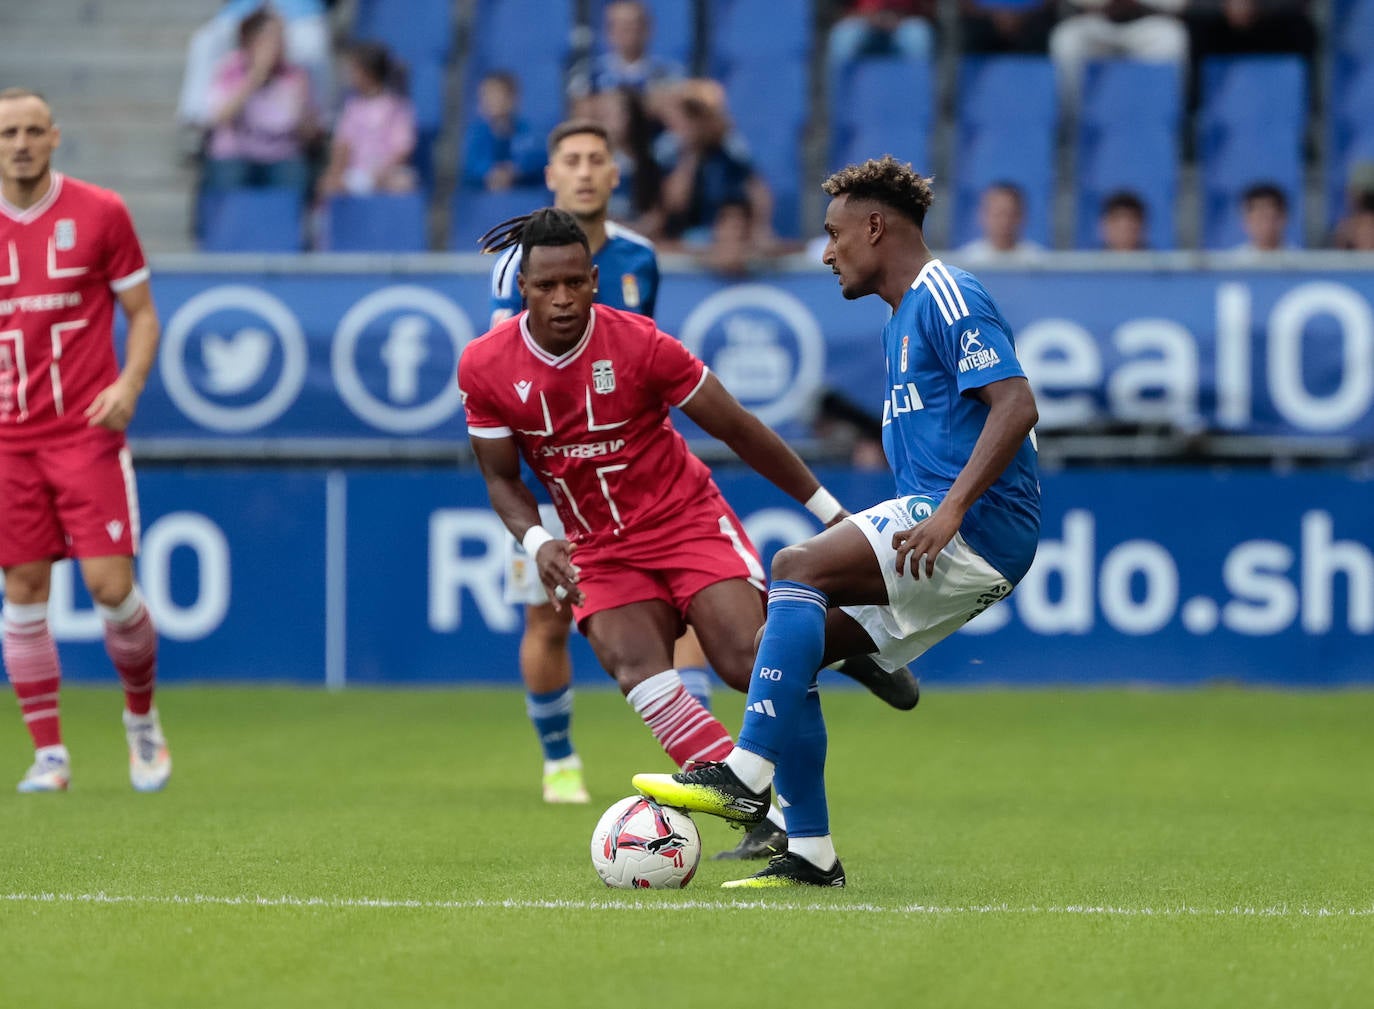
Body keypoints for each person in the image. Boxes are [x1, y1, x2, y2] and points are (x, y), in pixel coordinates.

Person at [632, 155, 1041, 888]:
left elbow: (1017, 404)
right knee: (784, 647)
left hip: (980, 522)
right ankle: (813, 850)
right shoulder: (898, 323)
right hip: (970, 536)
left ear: (876, 227)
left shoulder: (946, 292)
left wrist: (949, 511)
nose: (825, 252)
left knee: (793, 568)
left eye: (834, 234)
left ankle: (744, 775)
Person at [465, 208, 919, 857]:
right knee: (635, 667)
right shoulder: (484, 367)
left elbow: (738, 427)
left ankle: (844, 645)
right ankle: (761, 820)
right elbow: (502, 480)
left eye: (574, 282)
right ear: (523, 290)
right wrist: (539, 542)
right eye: (546, 287)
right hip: (596, 544)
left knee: (742, 661)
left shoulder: (643, 344)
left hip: (684, 520)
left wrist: (829, 511)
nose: (562, 298)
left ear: (594, 279)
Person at [0, 89, 171, 794]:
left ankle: (141, 717)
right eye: (8, 132)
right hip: (10, 440)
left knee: (111, 586)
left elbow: (144, 316)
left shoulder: (101, 212)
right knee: (24, 589)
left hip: (85, 431)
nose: (20, 143)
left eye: (33, 130)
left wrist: (129, 387)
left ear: (55, 137)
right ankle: (50, 754)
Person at [201, 6, 319, 195]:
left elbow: (310, 134)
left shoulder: (296, 75)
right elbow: (219, 117)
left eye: (281, 38)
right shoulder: (230, 69)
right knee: (229, 177)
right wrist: (255, 78)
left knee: (294, 175)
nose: (279, 45)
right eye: (271, 38)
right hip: (236, 154)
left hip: (283, 156)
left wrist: (302, 110)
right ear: (250, 41)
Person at [315, 41, 417, 201]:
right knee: (326, 185)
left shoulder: (397, 107)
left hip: (386, 174)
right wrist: (335, 173)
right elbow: (342, 144)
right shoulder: (351, 107)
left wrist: (382, 173)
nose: (348, 75)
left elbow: (402, 148)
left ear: (368, 73)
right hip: (356, 173)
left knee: (404, 183)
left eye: (352, 70)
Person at [1049, 0, 1189, 112]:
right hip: (1098, 22)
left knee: (1172, 38)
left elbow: (1177, 5)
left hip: (1149, 23)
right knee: (1067, 38)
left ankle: (1164, 124)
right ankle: (1070, 126)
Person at [567, 0, 684, 104]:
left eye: (634, 25)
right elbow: (578, 114)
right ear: (607, 31)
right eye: (621, 26)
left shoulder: (668, 73)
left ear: (648, 29)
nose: (629, 33)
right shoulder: (589, 74)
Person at [459, 72, 546, 193]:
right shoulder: (475, 133)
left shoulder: (528, 131)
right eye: (485, 96)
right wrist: (490, 172)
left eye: (496, 95)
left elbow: (538, 158)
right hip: (482, 200)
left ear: (512, 98)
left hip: (524, 198)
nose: (490, 101)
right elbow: (470, 164)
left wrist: (514, 170)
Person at [826, 1, 937, 74]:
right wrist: (869, 18)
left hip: (903, 24)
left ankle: (915, 101)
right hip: (862, 23)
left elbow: (929, 9)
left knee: (918, 34)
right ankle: (837, 104)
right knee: (844, 35)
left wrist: (897, 18)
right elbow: (835, 10)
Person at [957, 182, 1044, 261]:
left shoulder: (1038, 261)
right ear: (982, 215)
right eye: (998, 214)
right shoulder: (967, 261)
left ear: (1022, 216)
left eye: (1010, 214)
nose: (1004, 221)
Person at [1233, 181, 1290, 254]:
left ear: (1283, 218)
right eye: (1258, 218)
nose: (1264, 225)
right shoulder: (1232, 262)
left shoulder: (1301, 261)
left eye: (1268, 217)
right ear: (1245, 220)